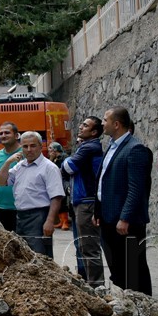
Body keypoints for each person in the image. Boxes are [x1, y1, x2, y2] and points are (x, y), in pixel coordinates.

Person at [96, 107, 153, 294]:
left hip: (125, 222)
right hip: (108, 218)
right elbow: (103, 181)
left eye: (105, 120)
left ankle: (144, 307)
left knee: (134, 268)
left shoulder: (135, 149)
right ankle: (125, 306)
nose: (102, 123)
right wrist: (97, 211)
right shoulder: (112, 147)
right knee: (117, 268)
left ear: (117, 124)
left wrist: (125, 217)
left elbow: (136, 188)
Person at [0, 132, 64, 258]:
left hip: (39, 216)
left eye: (33, 146)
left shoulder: (49, 168)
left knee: (40, 256)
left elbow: (56, 196)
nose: (29, 150)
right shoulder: (20, 166)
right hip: (21, 216)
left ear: (40, 146)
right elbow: (1, 182)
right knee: (24, 255)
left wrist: (49, 220)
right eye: (25, 146)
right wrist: (7, 163)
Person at [61, 116, 105, 287]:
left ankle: (96, 285)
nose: (80, 127)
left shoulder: (89, 148)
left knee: (89, 246)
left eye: (85, 126)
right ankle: (89, 281)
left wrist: (66, 162)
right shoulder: (84, 148)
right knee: (83, 245)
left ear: (94, 132)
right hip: (81, 201)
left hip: (87, 202)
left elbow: (68, 168)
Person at [0, 122, 20, 233]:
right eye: (1, 133)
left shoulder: (25, 154)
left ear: (16, 136)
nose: (3, 135)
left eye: (7, 132)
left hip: (19, 209)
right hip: (0, 208)